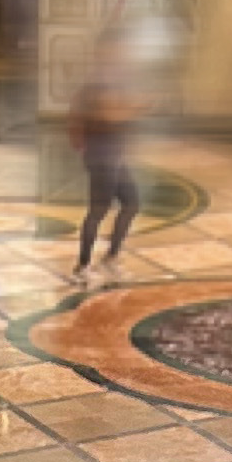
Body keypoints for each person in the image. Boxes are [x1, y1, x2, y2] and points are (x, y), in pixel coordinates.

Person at [70, 24, 141, 277]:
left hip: (114, 155)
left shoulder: (114, 77)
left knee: (131, 203)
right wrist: (137, 107)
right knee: (98, 211)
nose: (124, 52)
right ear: (106, 49)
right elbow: (110, 115)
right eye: (120, 47)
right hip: (101, 157)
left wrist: (131, 106)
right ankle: (82, 266)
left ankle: (111, 257)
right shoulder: (99, 79)